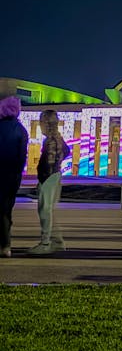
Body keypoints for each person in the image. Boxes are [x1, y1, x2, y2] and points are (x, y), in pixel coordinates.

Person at [29, 110, 70, 255]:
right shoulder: (57, 138)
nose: (40, 125)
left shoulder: (50, 141)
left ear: (46, 124)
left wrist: (43, 177)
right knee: (49, 211)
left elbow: (48, 162)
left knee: (44, 211)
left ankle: (45, 243)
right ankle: (57, 242)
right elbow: (67, 151)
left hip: (49, 177)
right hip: (55, 175)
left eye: (41, 122)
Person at [0, 96, 28, 257]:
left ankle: (3, 243)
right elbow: (22, 157)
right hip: (12, 177)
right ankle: (6, 246)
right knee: (6, 210)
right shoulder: (21, 130)